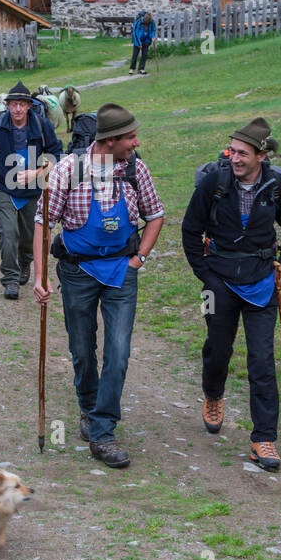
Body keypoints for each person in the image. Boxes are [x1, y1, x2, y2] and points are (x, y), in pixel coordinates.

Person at [33, 103, 165, 468]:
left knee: (119, 351)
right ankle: (88, 409)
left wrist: (139, 258)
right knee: (82, 348)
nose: (136, 142)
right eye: (130, 137)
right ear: (109, 141)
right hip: (77, 271)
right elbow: (44, 222)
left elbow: (156, 215)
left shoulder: (136, 168)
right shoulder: (68, 171)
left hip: (122, 270)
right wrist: (40, 275)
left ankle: (103, 431)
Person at [180, 117, 281, 472]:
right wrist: (204, 273)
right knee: (217, 349)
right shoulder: (213, 183)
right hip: (217, 281)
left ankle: (263, 438)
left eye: (242, 153)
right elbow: (190, 229)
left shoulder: (277, 185)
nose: (234, 158)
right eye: (232, 151)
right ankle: (214, 395)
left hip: (262, 282)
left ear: (261, 156)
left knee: (262, 361)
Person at [0, 81, 63, 299]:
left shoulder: (41, 125)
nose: (17, 109)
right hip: (3, 187)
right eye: (13, 104)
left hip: (32, 189)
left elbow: (56, 154)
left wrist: (37, 172)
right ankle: (10, 279)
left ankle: (25, 261)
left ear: (29, 106)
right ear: (7, 106)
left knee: (28, 237)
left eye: (21, 105)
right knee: (8, 233)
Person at [128, 9, 155, 75]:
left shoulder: (152, 22)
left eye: (148, 23)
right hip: (137, 39)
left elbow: (153, 30)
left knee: (144, 55)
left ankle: (141, 69)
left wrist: (152, 36)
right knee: (135, 54)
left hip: (146, 40)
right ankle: (132, 69)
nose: (147, 24)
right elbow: (135, 33)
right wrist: (139, 43)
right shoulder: (138, 22)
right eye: (146, 23)